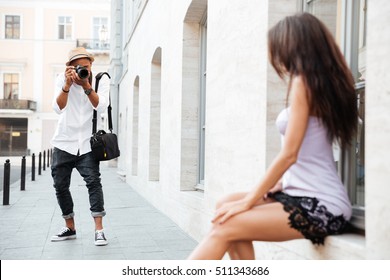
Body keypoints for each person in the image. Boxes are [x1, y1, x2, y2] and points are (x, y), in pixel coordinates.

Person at [188, 12, 358, 260]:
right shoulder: (318, 83)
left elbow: (289, 154)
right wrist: (278, 185)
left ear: (294, 44)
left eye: (279, 48)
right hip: (299, 193)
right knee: (225, 204)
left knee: (226, 224)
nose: (277, 58)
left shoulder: (305, 82)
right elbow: (309, 150)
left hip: (322, 205)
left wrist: (248, 202)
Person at [50, 47, 110, 246]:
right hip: (64, 142)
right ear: (69, 68)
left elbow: (100, 106)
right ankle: (70, 227)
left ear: (91, 65)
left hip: (87, 144)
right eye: (78, 67)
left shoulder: (101, 80)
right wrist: (67, 85)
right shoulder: (62, 79)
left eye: (85, 66)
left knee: (93, 183)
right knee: (60, 186)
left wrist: (86, 85)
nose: (82, 70)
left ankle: (99, 230)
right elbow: (58, 108)